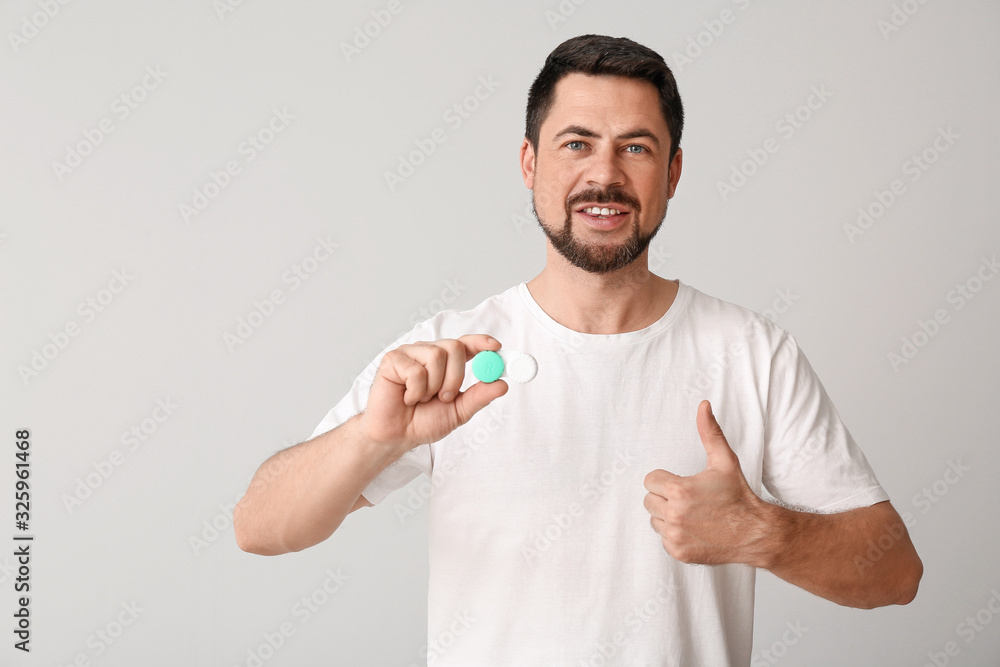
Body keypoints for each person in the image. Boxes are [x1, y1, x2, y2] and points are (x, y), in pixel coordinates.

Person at [234, 34, 922, 665]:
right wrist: (373, 438)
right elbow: (259, 525)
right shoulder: (452, 355)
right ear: (530, 161)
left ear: (673, 172)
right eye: (576, 143)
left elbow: (895, 573)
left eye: (636, 147)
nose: (605, 174)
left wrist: (762, 533)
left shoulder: (752, 352)